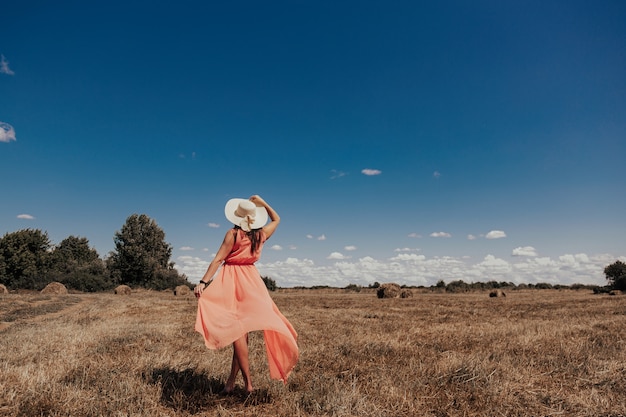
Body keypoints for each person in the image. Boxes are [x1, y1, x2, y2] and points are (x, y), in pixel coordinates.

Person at [194, 195, 298, 394]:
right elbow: (277, 219)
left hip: (233, 281)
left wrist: (203, 281)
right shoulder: (261, 235)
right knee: (240, 334)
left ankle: (248, 385)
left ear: (236, 216)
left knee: (238, 333)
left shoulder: (233, 234)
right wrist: (264, 202)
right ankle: (230, 384)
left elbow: (218, 259)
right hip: (253, 283)